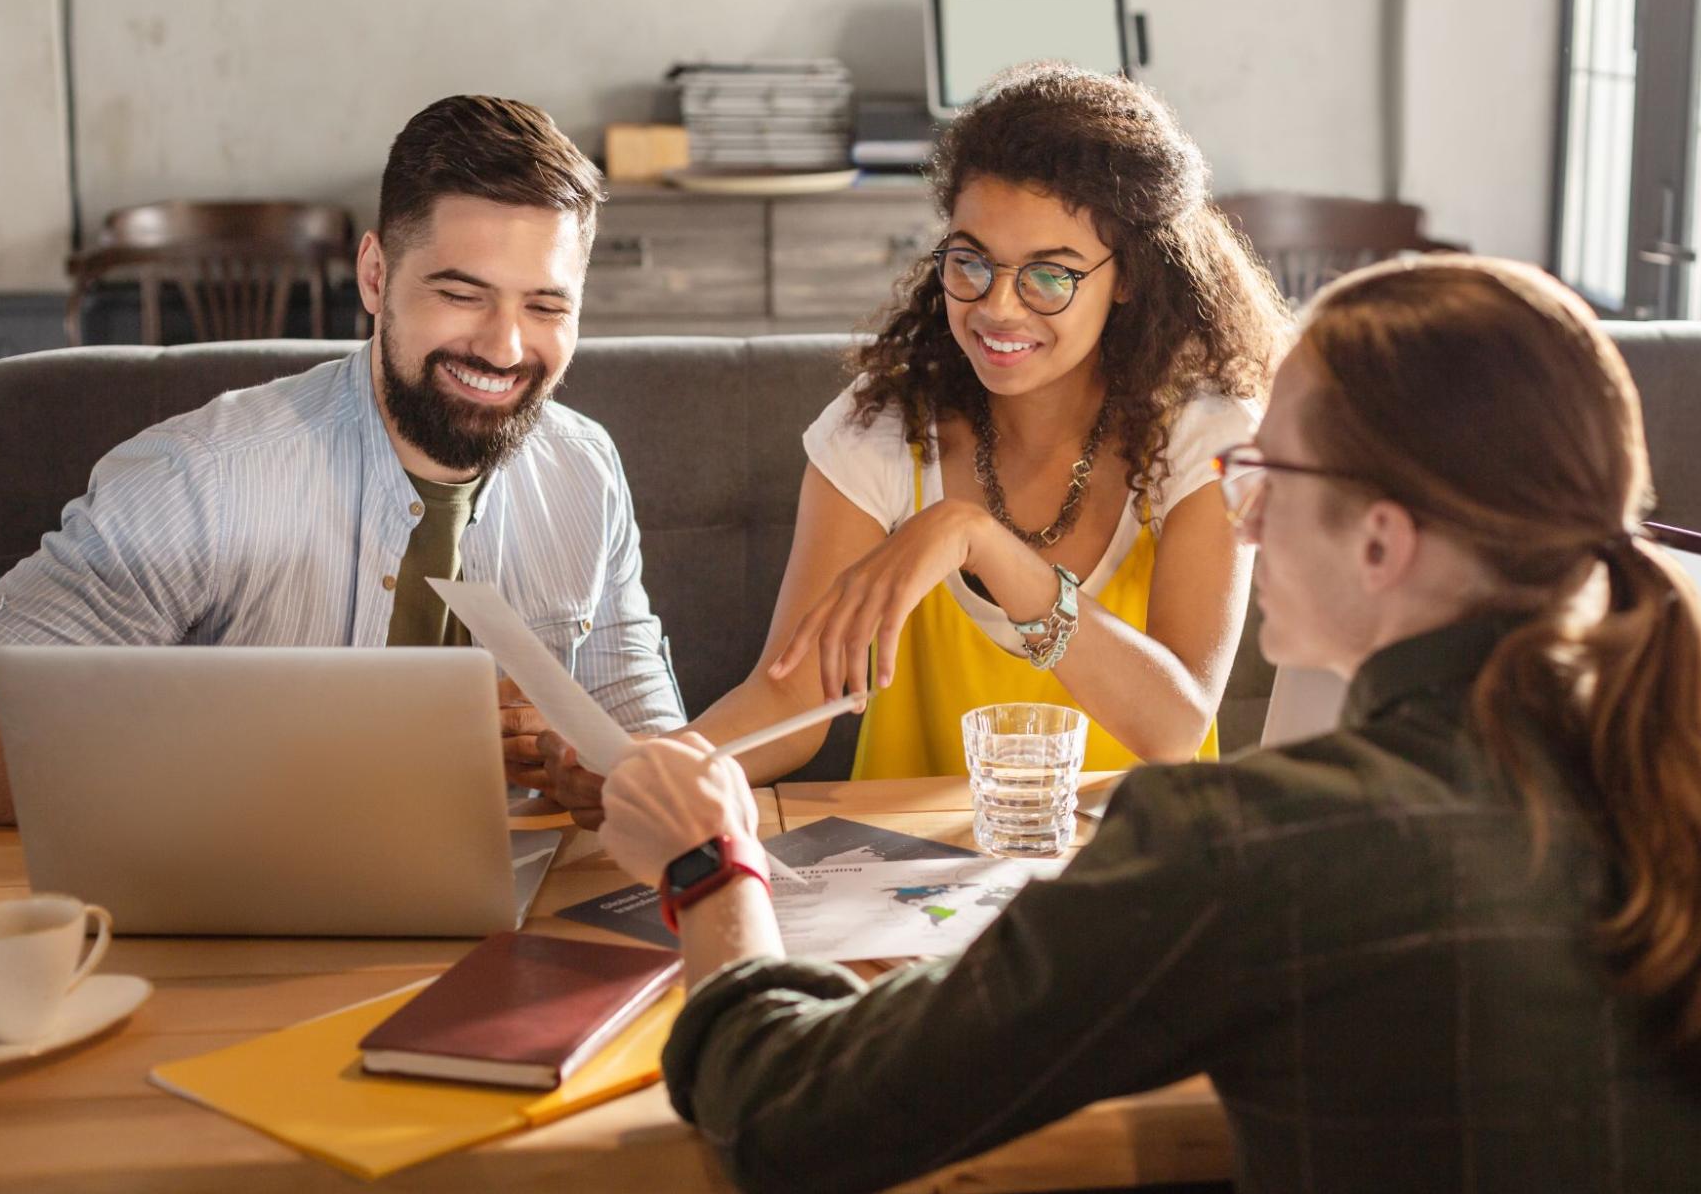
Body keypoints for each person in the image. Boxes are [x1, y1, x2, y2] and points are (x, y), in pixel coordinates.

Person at [595, 256, 1701, 1194]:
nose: (1234, 523)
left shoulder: (1256, 842)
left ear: (1380, 539)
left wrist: (711, 870)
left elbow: (791, 1123)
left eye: (1263, 481)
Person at [541, 64, 1289, 803]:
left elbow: (1174, 725)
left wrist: (978, 539)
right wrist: (650, 765)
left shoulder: (1201, 433)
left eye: (1049, 276)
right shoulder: (883, 428)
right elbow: (791, 703)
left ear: (1127, 276)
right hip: (903, 879)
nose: (998, 307)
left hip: (1131, 868)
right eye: (970, 261)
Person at [0, 95, 683, 825]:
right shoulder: (205, 477)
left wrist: (622, 775)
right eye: (462, 294)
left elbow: (637, 715)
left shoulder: (584, 467)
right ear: (375, 276)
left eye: (545, 307)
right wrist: (378, 737)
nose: (504, 347)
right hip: (237, 918)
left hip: (518, 918)